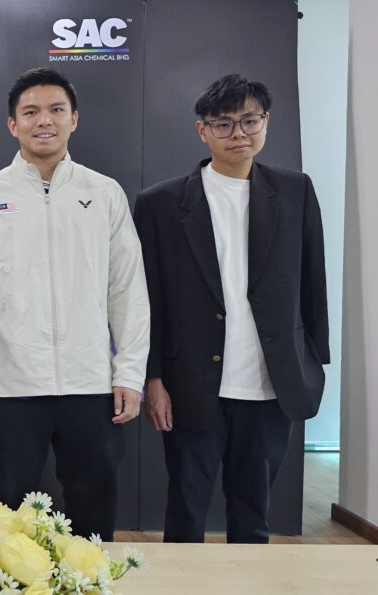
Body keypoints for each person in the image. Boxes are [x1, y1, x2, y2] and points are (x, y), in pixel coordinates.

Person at [0, 68, 149, 540]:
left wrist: (129, 373)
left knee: (93, 512)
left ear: (74, 119)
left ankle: (93, 577)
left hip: (91, 384)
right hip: (11, 387)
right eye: (31, 112)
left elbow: (127, 290)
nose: (44, 121)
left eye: (56, 110)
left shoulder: (104, 193)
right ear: (12, 124)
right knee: (7, 517)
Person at [133, 74, 329, 543]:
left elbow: (313, 280)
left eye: (249, 121)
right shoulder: (160, 203)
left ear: (267, 122)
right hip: (190, 383)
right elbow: (147, 299)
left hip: (270, 382)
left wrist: (313, 360)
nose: (238, 133)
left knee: (253, 515)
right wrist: (152, 377)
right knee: (186, 511)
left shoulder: (295, 191)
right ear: (202, 130)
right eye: (223, 124)